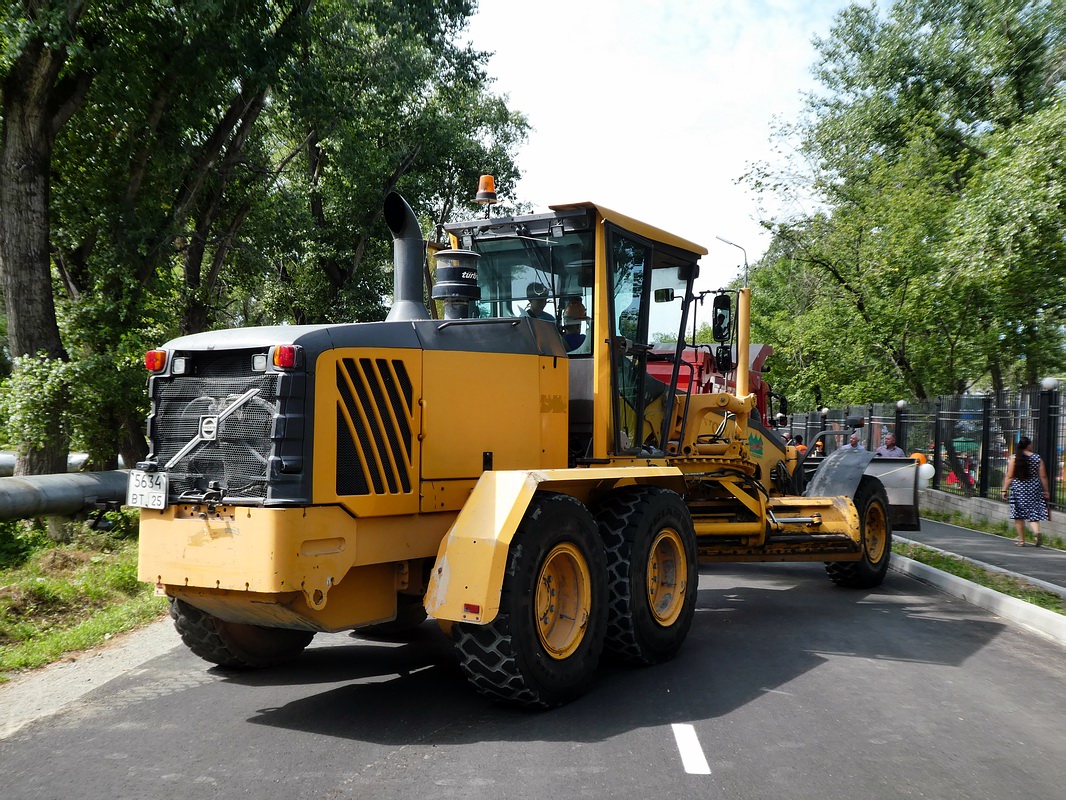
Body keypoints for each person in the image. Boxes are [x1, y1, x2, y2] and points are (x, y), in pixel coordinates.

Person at [1002, 436, 1050, 547]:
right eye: (1031, 444)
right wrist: (1046, 491)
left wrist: (1004, 489)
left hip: (1018, 488)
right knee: (1033, 512)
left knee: (1018, 515)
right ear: (1028, 445)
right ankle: (1037, 532)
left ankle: (1021, 540)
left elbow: (1009, 476)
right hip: (1034, 487)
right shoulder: (1037, 458)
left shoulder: (1014, 458)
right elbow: (1043, 476)